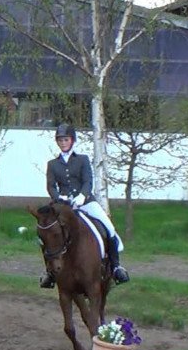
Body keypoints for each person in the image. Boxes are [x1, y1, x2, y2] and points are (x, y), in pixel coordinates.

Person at [40, 123, 130, 288]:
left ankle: (116, 267)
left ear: (72, 141)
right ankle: (49, 273)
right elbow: (51, 186)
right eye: (60, 140)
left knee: (109, 228)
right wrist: (58, 198)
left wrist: (82, 196)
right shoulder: (52, 164)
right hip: (63, 205)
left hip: (85, 202)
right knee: (47, 232)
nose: (63, 143)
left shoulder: (82, 159)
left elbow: (88, 180)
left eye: (65, 139)